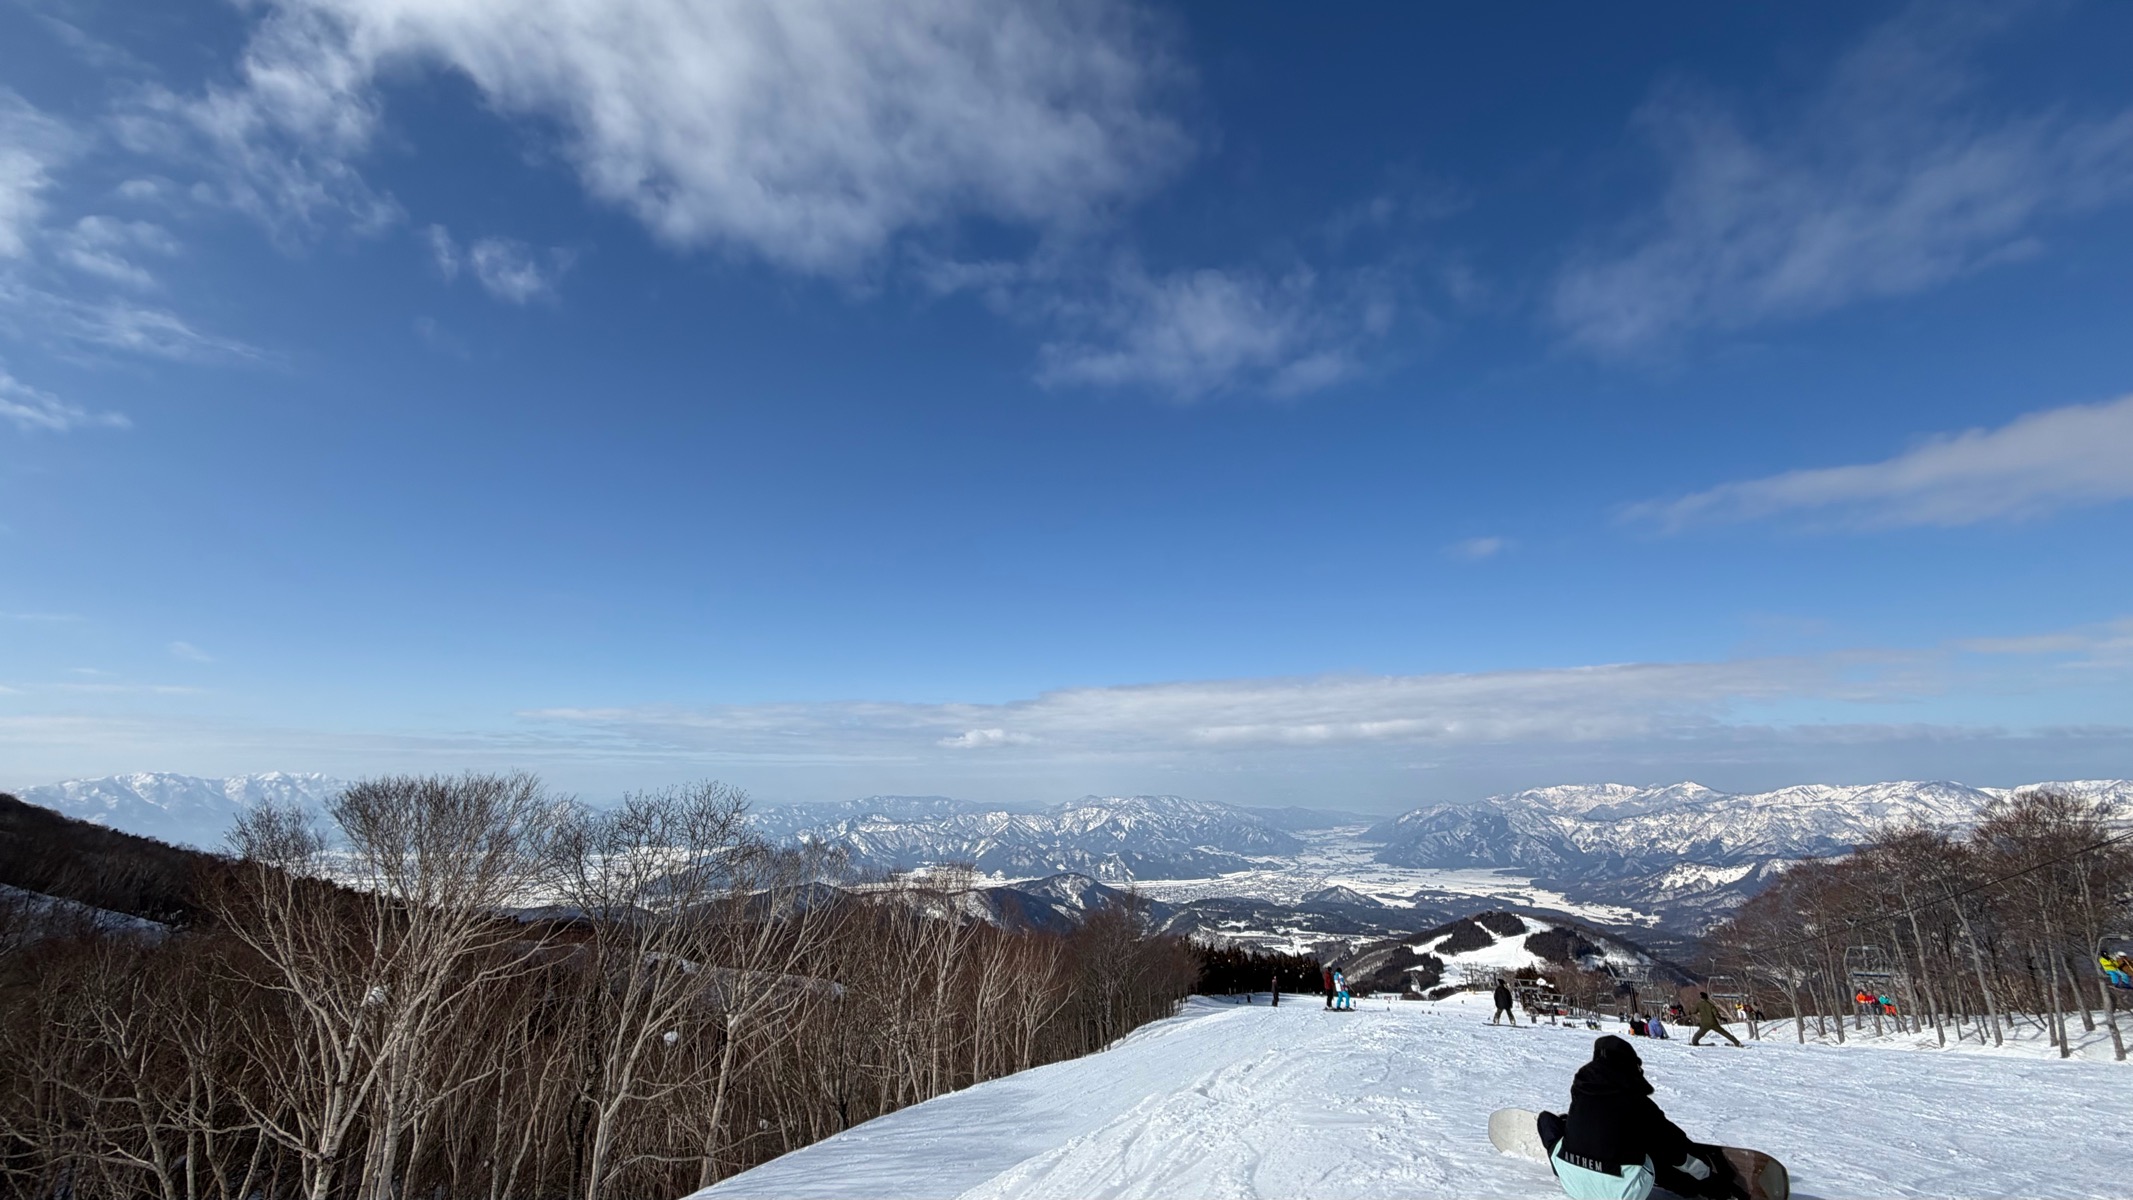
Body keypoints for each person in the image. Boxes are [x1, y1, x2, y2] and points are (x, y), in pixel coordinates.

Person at [1536, 1035, 1736, 1200]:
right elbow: (1675, 1149)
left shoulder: (1580, 1092)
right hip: (1622, 1193)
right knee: (1653, 1148)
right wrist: (1708, 1178)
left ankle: (1567, 1162)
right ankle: (1696, 1190)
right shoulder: (1636, 1104)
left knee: (1547, 1120)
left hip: (1571, 1182)